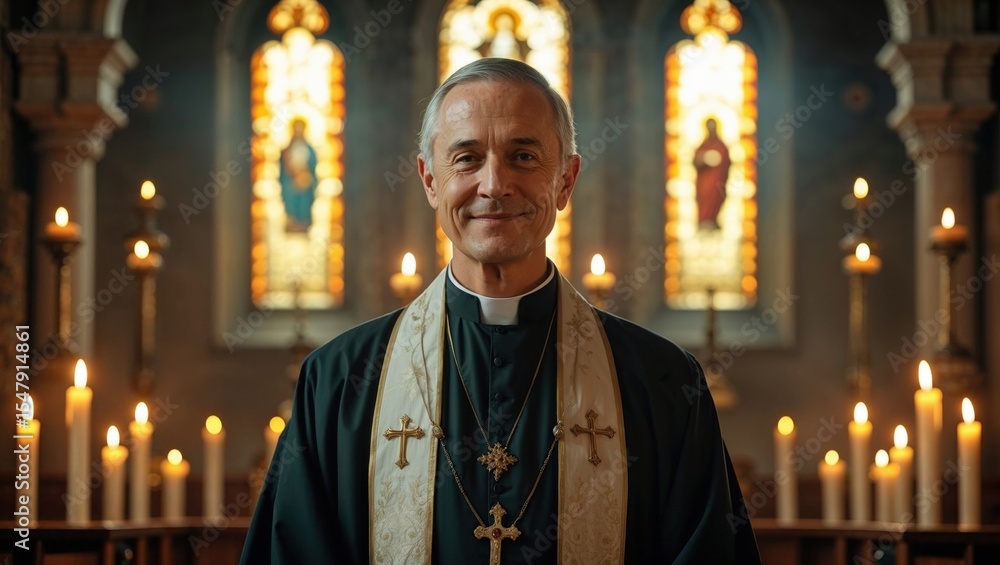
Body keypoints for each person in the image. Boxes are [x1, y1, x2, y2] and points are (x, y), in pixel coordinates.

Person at [241, 58, 760, 564]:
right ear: (428, 179)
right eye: (466, 158)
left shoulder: (662, 383)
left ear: (566, 181)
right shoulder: (337, 383)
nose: (494, 185)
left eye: (524, 157)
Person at [279, 118, 318, 233]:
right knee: (291, 198)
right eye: (296, 129)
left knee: (304, 202)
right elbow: (282, 170)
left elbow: (312, 165)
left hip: (305, 183)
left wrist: (305, 175)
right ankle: (292, 222)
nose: (298, 131)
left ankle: (304, 223)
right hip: (290, 182)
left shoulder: (309, 149)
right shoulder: (287, 149)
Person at [693, 118, 731, 230]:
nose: (711, 129)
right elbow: (695, 160)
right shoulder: (703, 145)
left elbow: (726, 161)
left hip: (717, 180)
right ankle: (703, 221)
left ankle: (712, 220)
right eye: (709, 127)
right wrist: (703, 159)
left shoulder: (721, 145)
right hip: (704, 182)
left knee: (715, 198)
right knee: (704, 199)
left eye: (713, 127)